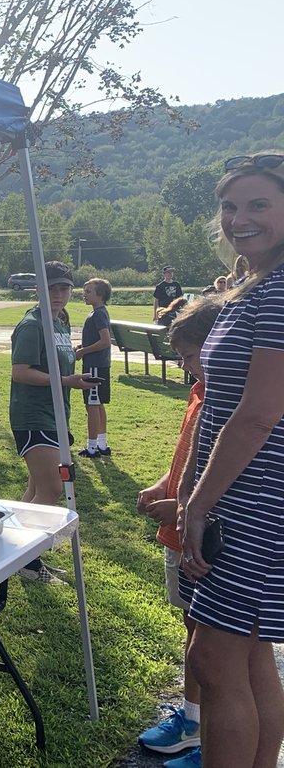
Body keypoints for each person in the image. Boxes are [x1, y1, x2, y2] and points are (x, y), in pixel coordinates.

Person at [177, 152, 284, 768]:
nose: (238, 218)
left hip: (256, 499)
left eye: (258, 204)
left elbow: (256, 415)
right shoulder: (260, 286)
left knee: (213, 662)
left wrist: (197, 502)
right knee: (248, 653)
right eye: (229, 206)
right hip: (252, 493)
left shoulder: (277, 293)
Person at [135, 297, 220, 765]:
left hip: (201, 538)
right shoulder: (200, 393)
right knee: (192, 630)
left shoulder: (229, 399)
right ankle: (192, 719)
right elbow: (189, 458)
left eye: (190, 356)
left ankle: (209, 734)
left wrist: (181, 508)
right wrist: (163, 486)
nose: (186, 368)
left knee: (211, 645)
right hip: (181, 531)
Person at [9, 261, 101, 583]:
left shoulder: (59, 323)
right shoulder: (33, 325)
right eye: (52, 288)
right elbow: (20, 372)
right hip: (33, 415)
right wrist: (66, 381)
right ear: (38, 289)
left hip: (55, 413)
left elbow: (60, 362)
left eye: (65, 288)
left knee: (35, 490)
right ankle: (26, 562)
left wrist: (76, 374)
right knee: (51, 489)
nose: (59, 295)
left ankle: (17, 554)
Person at [75, 277, 113, 458]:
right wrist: (82, 348)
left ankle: (92, 447)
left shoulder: (98, 314)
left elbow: (105, 341)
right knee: (97, 405)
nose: (85, 295)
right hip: (97, 364)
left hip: (95, 366)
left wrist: (84, 352)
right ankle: (102, 444)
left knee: (92, 405)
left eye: (88, 292)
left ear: (100, 295)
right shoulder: (98, 313)